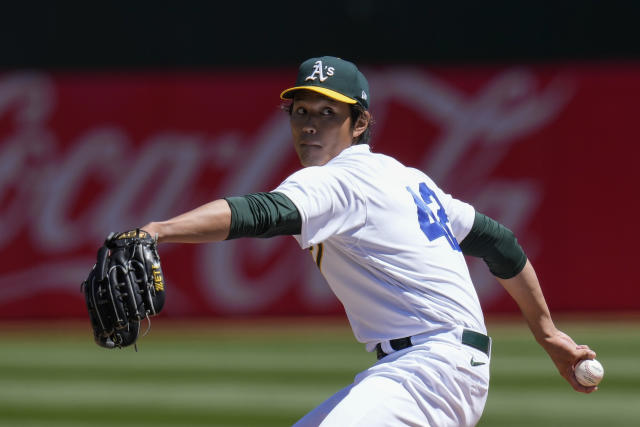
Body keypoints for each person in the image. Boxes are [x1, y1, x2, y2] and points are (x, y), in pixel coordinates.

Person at [140, 56, 597, 426]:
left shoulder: (340, 181)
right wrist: (548, 334)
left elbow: (261, 214)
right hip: (436, 369)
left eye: (327, 113)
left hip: (427, 371)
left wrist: (156, 231)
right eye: (301, 112)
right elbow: (499, 243)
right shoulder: (404, 177)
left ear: (359, 123)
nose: (310, 125)